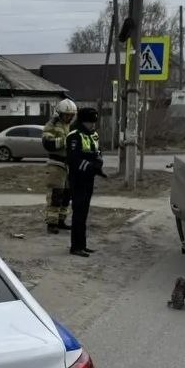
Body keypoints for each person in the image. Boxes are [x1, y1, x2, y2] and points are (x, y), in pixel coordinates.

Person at [65, 106, 106, 257]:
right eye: (90, 122)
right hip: (78, 179)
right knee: (78, 213)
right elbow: (74, 160)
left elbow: (98, 151)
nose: (93, 125)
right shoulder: (74, 135)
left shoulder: (93, 134)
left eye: (94, 122)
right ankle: (75, 247)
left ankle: (82, 244)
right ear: (83, 121)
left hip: (89, 180)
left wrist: (98, 165)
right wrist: (90, 167)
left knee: (84, 213)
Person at [41, 98, 77, 234]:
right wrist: (65, 141)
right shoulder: (52, 124)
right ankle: (51, 223)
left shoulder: (69, 126)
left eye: (71, 115)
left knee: (67, 195)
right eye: (66, 115)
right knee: (56, 194)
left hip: (68, 165)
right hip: (56, 165)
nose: (68, 117)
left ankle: (61, 221)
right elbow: (47, 143)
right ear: (60, 113)